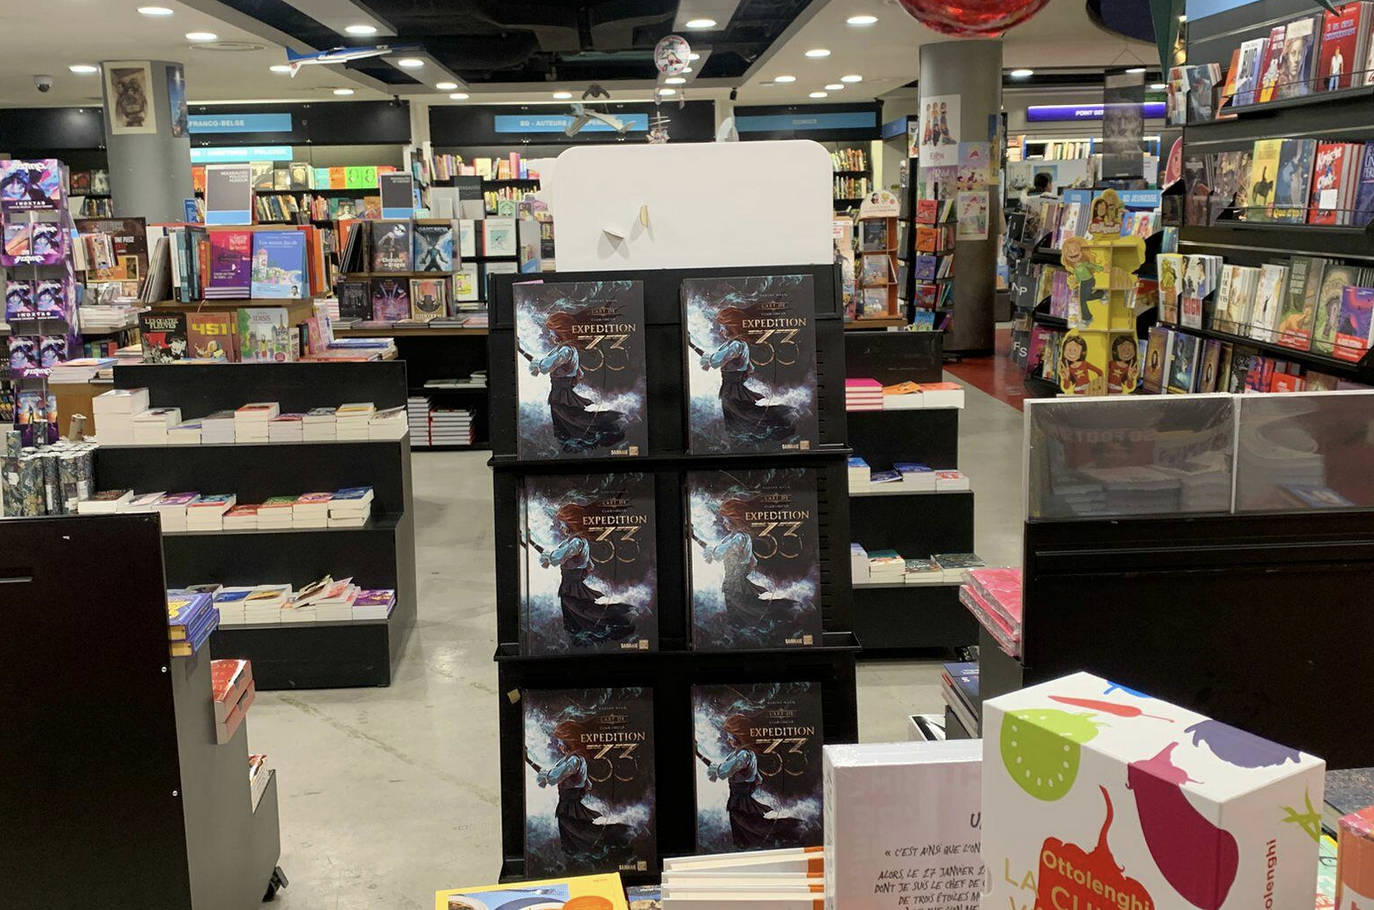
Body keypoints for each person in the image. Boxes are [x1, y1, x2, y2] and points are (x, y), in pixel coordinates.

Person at [700, 497, 798, 645]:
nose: (724, 523)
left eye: (726, 520)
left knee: (748, 611)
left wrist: (703, 545)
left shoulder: (739, 538)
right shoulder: (735, 537)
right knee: (744, 612)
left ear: (734, 520)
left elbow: (718, 554)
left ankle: (789, 612)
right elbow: (752, 561)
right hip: (734, 582)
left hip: (735, 583)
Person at [536, 720, 635, 865]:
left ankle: (617, 838)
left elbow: (553, 776)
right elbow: (584, 783)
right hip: (568, 803)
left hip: (569, 805)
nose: (558, 745)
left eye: (560, 742)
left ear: (569, 742)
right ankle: (580, 857)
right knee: (576, 832)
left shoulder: (573, 760)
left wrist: (537, 768)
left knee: (581, 832)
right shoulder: (573, 760)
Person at [540, 501, 637, 646]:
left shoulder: (576, 542)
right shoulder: (576, 541)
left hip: (572, 583)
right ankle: (581, 634)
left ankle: (617, 619)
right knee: (576, 608)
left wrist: (549, 556)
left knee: (580, 609)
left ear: (571, 523)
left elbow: (558, 557)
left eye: (563, 524)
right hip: (571, 580)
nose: (561, 527)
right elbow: (586, 563)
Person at [529, 310, 628, 453]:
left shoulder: (565, 350)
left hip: (561, 393)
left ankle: (599, 431)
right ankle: (574, 443)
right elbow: (579, 373)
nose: (550, 336)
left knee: (572, 420)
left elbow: (545, 366)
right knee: (571, 419)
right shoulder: (569, 349)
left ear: (560, 332)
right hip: (562, 391)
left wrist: (536, 364)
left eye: (552, 332)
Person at [700, 306, 799, 447]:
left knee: (742, 412)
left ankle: (781, 417)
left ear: (731, 327)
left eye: (722, 327)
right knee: (737, 412)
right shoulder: (739, 344)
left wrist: (707, 359)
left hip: (732, 386)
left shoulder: (736, 345)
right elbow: (749, 367)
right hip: (732, 384)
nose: (720, 331)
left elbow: (717, 360)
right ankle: (741, 437)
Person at [706, 713, 806, 850]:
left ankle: (791, 830)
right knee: (747, 824)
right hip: (740, 796)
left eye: (730, 736)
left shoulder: (743, 755)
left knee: (753, 825)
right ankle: (747, 844)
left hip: (740, 799)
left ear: (738, 736)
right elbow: (757, 778)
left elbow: (723, 771)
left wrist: (710, 765)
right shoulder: (746, 753)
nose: (728, 740)